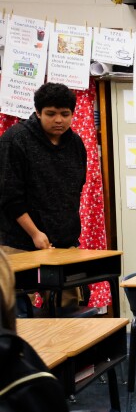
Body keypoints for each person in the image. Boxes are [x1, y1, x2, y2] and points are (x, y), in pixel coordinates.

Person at [0, 82, 87, 309]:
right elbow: (9, 196)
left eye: (64, 114)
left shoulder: (76, 144)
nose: (58, 120)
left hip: (63, 244)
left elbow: (75, 190)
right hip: (20, 243)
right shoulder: (15, 140)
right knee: (19, 312)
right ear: (38, 112)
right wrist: (35, 233)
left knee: (68, 310)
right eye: (50, 114)